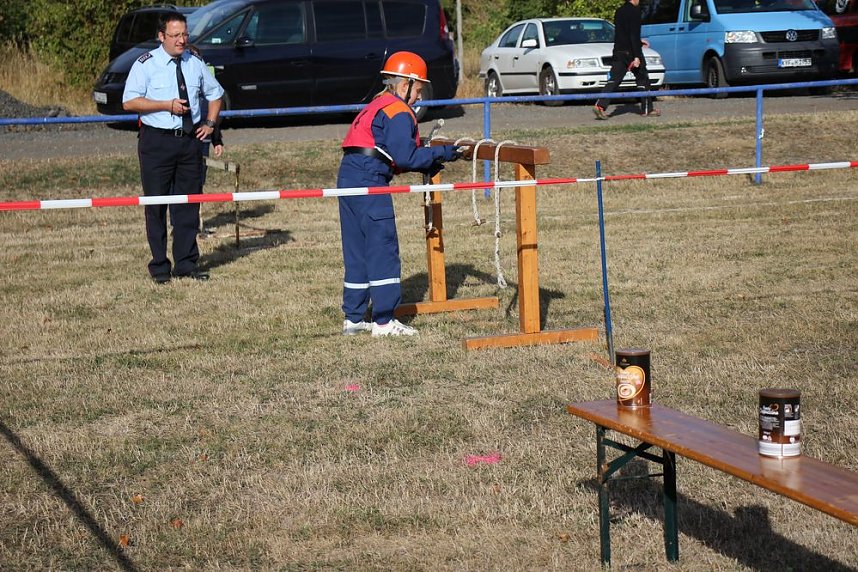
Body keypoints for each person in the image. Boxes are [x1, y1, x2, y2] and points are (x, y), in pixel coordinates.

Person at [337, 51, 463, 337]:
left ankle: (354, 319)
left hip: (349, 176)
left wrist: (428, 158)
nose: (419, 98)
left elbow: (386, 155)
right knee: (382, 247)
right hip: (369, 180)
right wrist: (444, 153)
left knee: (357, 249)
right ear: (405, 84)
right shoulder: (398, 111)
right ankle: (383, 321)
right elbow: (406, 157)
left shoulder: (376, 105)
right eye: (418, 90)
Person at [122, 12, 224, 284]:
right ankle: (159, 267)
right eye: (176, 35)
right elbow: (129, 102)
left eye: (185, 35)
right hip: (156, 142)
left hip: (189, 141)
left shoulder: (194, 62)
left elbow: (215, 94)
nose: (182, 40)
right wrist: (165, 105)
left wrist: (211, 124)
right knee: (156, 205)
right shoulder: (145, 64)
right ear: (161, 36)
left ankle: (187, 264)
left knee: (188, 205)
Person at [594, 0, 660, 120]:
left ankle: (600, 106)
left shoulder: (619, 11)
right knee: (642, 78)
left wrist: (640, 42)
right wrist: (636, 56)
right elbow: (633, 34)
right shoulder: (635, 12)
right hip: (630, 52)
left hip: (619, 50)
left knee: (613, 80)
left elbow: (623, 33)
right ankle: (647, 109)